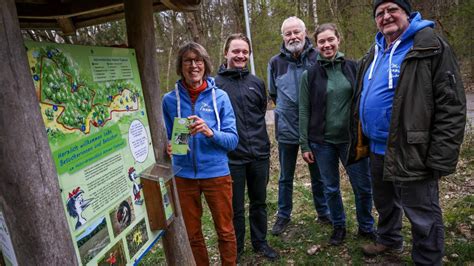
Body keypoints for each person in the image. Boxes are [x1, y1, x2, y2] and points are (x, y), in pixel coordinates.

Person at [347, 1, 466, 264]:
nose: (386, 16)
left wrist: (441, 155)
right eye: (379, 13)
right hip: (377, 148)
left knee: (422, 212)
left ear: (407, 14)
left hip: (413, 148)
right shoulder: (375, 51)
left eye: (392, 10)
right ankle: (389, 240)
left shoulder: (429, 45)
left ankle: (427, 259)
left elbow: (452, 105)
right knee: (385, 203)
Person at [162, 42, 239, 266]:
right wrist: (166, 146)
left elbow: (232, 140)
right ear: (181, 66)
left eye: (198, 61)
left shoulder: (221, 97)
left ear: (205, 65)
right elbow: (165, 138)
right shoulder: (169, 100)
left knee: (225, 231)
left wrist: (210, 132)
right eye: (188, 61)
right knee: (192, 234)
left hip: (216, 174)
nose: (193, 65)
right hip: (183, 176)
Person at [299, 23, 375, 246]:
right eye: (321, 41)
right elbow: (304, 110)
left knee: (363, 186)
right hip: (322, 143)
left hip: (353, 141)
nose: (326, 44)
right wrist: (304, 144)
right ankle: (339, 226)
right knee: (330, 188)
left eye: (330, 39)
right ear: (317, 45)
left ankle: (366, 226)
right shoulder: (310, 75)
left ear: (338, 40)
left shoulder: (354, 67)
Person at [215, 33, 278, 261]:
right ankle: (237, 248)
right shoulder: (216, 86)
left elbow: (261, 112)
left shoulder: (257, 83)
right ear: (226, 53)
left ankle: (260, 242)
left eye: (244, 51)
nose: (240, 55)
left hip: (259, 154)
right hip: (232, 158)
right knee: (235, 208)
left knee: (259, 202)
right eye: (235, 51)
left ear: (248, 54)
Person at [268, 16, 330, 236]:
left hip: (314, 129)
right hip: (286, 129)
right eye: (288, 33)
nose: (293, 37)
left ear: (305, 33)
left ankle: (323, 212)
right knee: (285, 176)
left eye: (296, 32)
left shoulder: (318, 57)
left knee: (319, 175)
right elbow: (273, 94)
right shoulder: (275, 63)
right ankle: (283, 215)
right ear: (283, 37)